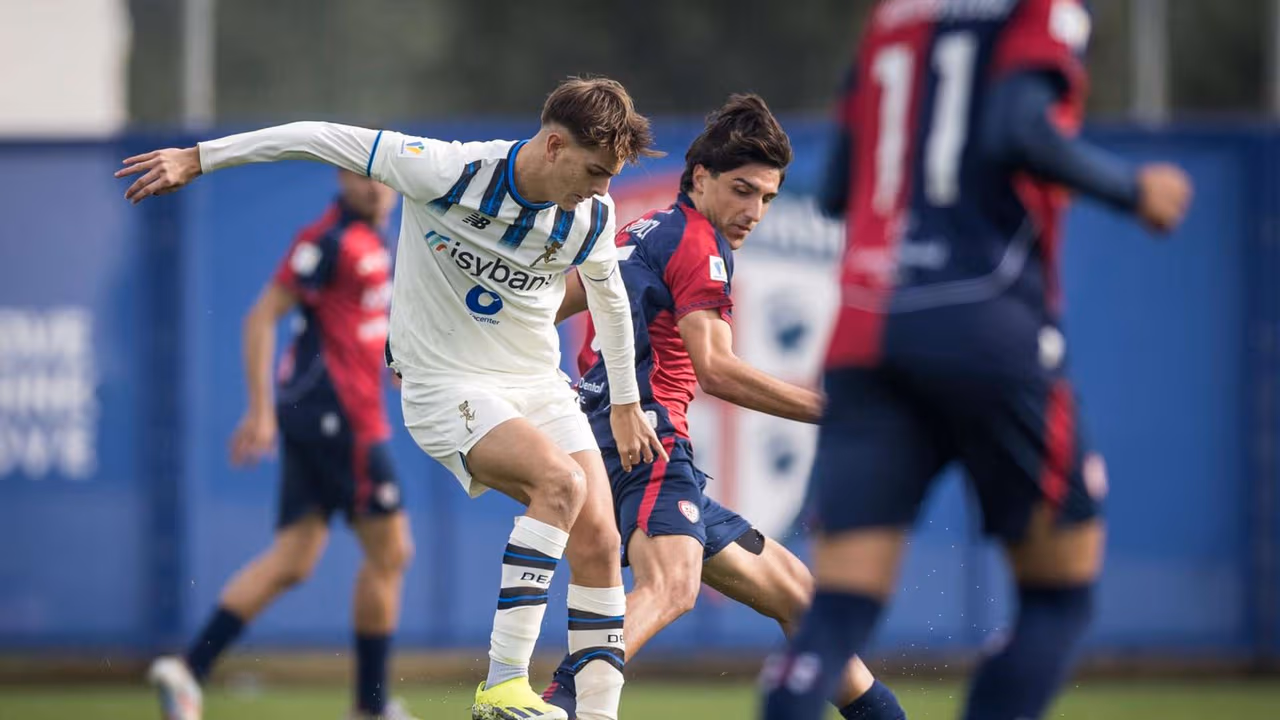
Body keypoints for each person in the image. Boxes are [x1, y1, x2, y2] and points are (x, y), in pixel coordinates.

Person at [119, 76, 668, 720]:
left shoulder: (591, 216)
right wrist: (198, 158)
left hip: (536, 383)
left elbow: (606, 295)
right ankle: (498, 688)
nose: (603, 188)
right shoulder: (446, 172)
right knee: (559, 486)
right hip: (445, 387)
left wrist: (627, 400)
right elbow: (315, 136)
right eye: (596, 170)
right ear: (552, 146)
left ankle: (598, 715)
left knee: (601, 542)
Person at [760, 2, 1193, 719]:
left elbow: (837, 188)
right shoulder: (1037, 8)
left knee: (834, 614)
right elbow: (1017, 127)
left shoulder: (893, 18)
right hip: (987, 322)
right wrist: (1133, 190)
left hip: (868, 330)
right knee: (1059, 595)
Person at [544, 94, 905, 720]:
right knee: (671, 586)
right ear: (701, 178)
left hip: (604, 428)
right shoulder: (699, 245)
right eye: (743, 190)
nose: (755, 211)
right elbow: (718, 371)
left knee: (797, 594)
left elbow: (549, 306)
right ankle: (558, 704)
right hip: (648, 436)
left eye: (767, 197)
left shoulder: (641, 230)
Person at [147, 170, 415, 720]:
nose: (378, 190)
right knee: (392, 552)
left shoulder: (374, 241)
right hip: (339, 419)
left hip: (325, 416)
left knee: (293, 559)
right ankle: (370, 708)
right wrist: (260, 412)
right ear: (342, 178)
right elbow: (260, 318)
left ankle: (187, 671)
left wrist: (395, 361)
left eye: (384, 179)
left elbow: (356, 326)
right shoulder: (329, 240)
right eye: (364, 179)